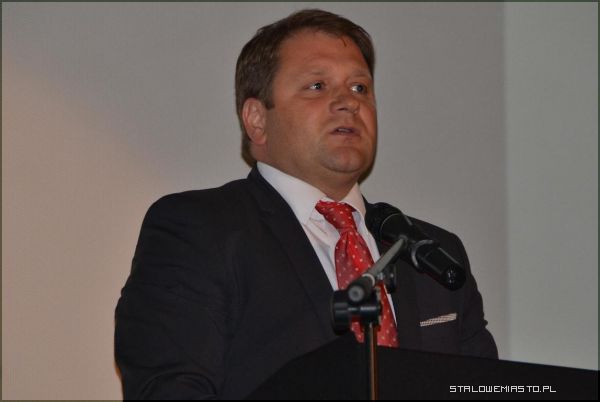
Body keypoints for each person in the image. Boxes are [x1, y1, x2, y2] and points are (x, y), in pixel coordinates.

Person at [115, 9, 497, 399]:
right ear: (256, 119)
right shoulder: (199, 230)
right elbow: (171, 389)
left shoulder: (431, 254)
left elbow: (485, 388)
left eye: (360, 88)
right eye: (317, 86)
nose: (348, 103)